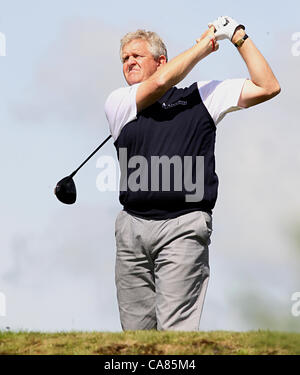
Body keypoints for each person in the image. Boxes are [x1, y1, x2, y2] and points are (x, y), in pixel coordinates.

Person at [104, 16, 280, 331]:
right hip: (132, 228)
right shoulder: (119, 102)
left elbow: (268, 86)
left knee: (176, 335)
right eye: (124, 58)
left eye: (137, 56)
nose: (129, 62)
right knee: (136, 338)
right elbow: (158, 84)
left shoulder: (203, 95)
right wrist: (204, 47)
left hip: (184, 225)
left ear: (161, 61)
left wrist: (237, 37)